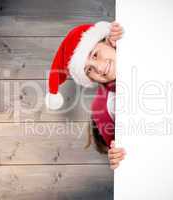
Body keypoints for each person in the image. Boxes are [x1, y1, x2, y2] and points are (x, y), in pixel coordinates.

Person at [45, 21, 125, 170]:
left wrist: (121, 34)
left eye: (95, 55)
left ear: (107, 41)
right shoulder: (105, 107)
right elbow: (117, 148)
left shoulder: (123, 41)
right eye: (89, 70)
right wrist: (115, 155)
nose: (99, 68)